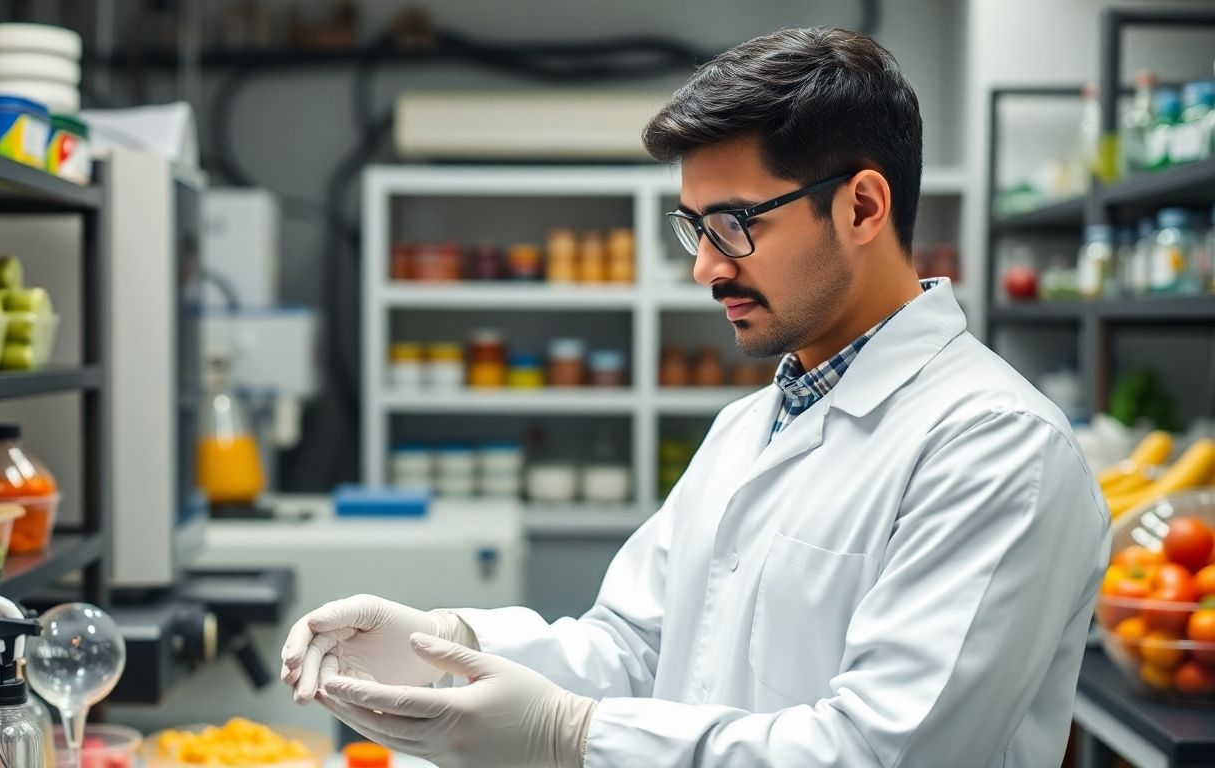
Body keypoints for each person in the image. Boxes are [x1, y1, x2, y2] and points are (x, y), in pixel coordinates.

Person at [280, 27, 1109, 768]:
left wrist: (574, 738)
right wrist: (447, 643)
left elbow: (882, 752)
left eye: (736, 224)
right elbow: (634, 645)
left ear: (861, 206)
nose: (706, 268)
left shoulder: (997, 448)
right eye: (694, 228)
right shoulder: (747, 427)